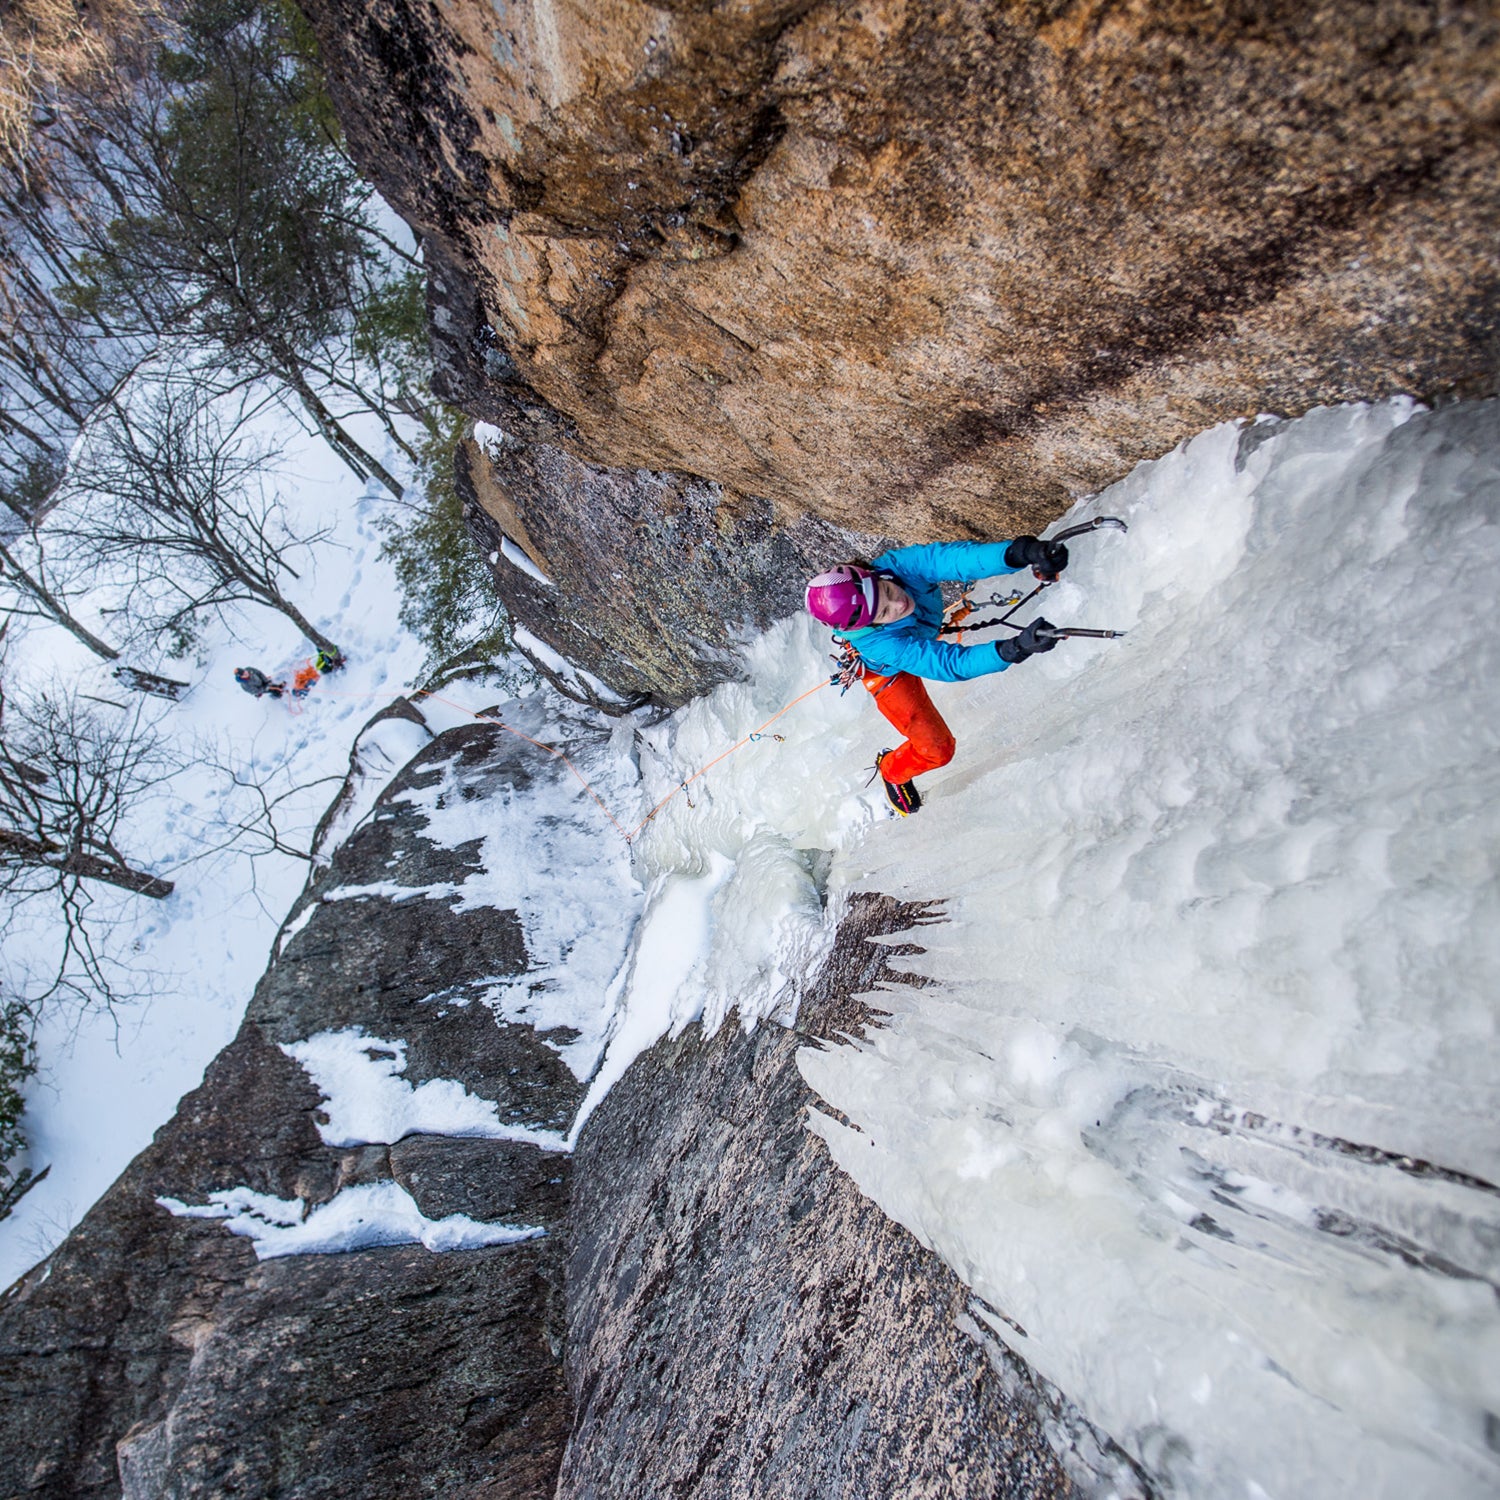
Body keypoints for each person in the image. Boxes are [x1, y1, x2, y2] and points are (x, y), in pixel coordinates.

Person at [805, 536, 1069, 814]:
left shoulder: (897, 567)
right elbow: (949, 663)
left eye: (887, 590)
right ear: (869, 625)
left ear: (874, 575)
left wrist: (1019, 553)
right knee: (937, 749)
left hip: (915, 637)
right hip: (888, 675)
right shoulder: (879, 643)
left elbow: (957, 560)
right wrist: (1013, 649)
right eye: (884, 612)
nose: (898, 604)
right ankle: (892, 772)